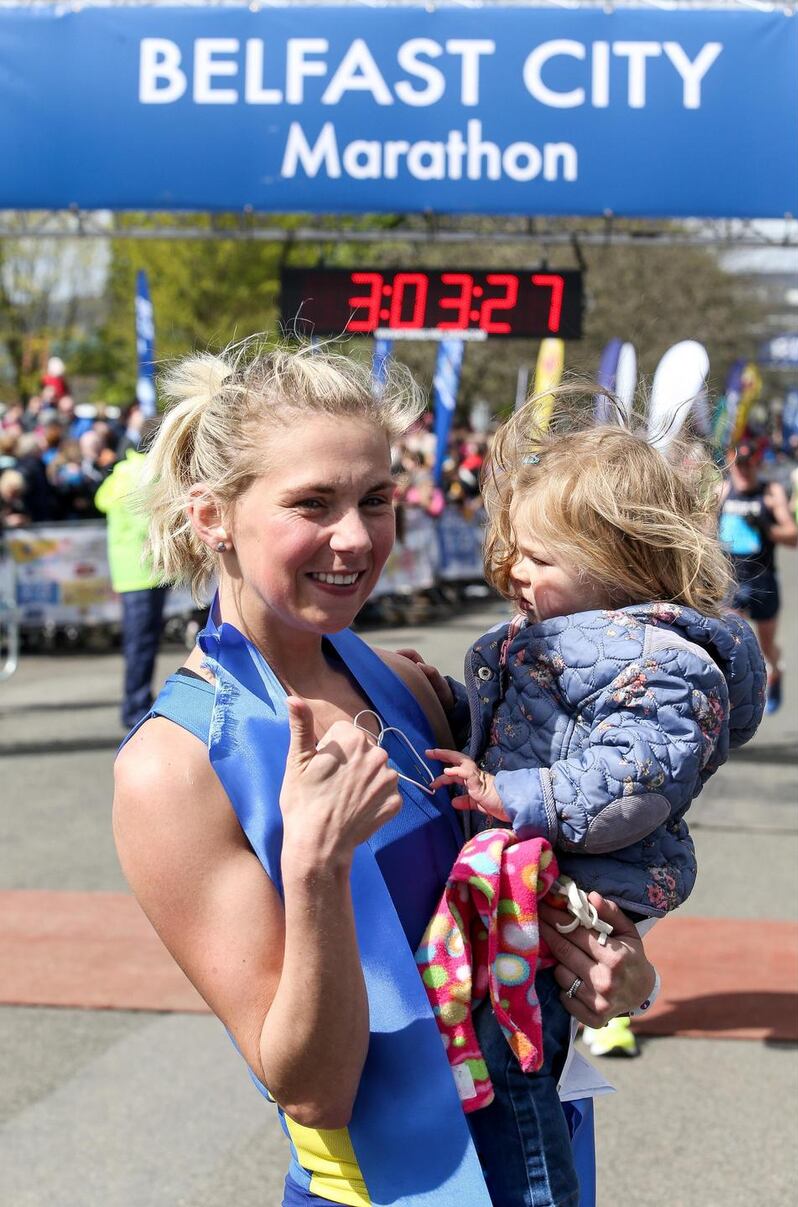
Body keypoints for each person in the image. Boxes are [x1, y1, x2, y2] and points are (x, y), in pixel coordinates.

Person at [112, 342, 660, 1207]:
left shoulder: (405, 683)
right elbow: (314, 1090)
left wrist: (610, 958)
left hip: (538, 1158)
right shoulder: (173, 768)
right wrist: (317, 867)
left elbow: (523, 887)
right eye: (312, 504)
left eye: (377, 499)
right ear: (212, 515)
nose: (357, 537)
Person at [402, 397, 766, 1206]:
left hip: (582, 883)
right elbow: (528, 731)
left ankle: (538, 1190)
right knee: (502, 1052)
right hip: (540, 862)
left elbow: (629, 781)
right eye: (511, 551)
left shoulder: (660, 662)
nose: (512, 572)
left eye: (536, 557)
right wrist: (455, 706)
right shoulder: (569, 635)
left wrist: (508, 793)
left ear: (618, 562)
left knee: (518, 1067)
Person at [95, 420, 168, 729]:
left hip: (127, 572)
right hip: (145, 569)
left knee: (138, 642)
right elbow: (153, 520)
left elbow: (101, 500)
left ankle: (137, 701)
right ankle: (135, 706)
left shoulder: (122, 470)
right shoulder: (149, 475)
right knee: (143, 643)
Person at [719, 438, 798, 713]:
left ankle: (776, 670)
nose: (743, 470)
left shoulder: (771, 492)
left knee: (766, 645)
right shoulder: (722, 490)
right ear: (731, 462)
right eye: (738, 464)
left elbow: (792, 536)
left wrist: (766, 526)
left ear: (756, 463)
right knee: (732, 642)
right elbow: (705, 536)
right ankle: (735, 702)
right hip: (732, 581)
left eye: (748, 465)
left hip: (763, 581)